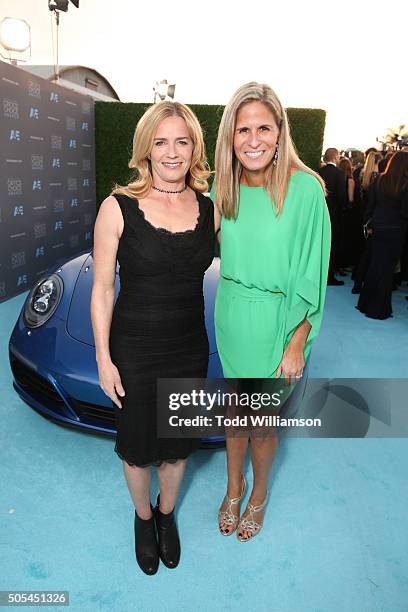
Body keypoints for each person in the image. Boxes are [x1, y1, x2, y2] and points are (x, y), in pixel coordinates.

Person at [90, 102, 214, 574]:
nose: (172, 151)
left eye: (182, 141)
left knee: (178, 445)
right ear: (145, 147)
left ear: (194, 148)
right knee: (139, 448)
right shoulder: (116, 207)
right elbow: (101, 289)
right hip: (135, 349)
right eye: (161, 141)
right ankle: (143, 519)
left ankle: (167, 516)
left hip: (188, 346)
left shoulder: (209, 209)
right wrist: (104, 358)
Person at [212, 82, 331, 542]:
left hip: (278, 325)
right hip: (232, 317)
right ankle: (232, 488)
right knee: (233, 419)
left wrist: (297, 340)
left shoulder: (305, 192)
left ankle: (257, 495)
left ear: (280, 133)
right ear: (231, 136)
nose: (254, 139)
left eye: (264, 127)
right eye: (243, 129)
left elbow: (313, 274)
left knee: (261, 427)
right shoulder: (224, 188)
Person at [357, 151, 408, 319]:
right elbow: (405, 212)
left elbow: (371, 205)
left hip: (378, 228)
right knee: (387, 270)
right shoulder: (405, 184)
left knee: (375, 265)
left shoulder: (379, 180)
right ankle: (379, 309)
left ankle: (365, 304)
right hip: (395, 232)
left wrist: (369, 223)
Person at [318, 148, 347, 285]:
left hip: (318, 214)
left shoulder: (318, 172)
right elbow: (342, 197)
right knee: (331, 245)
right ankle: (329, 277)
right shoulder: (340, 174)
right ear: (336, 157)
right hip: (333, 216)